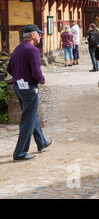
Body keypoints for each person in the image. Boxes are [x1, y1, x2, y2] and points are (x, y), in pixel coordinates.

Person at [6, 24, 53, 161]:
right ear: (33, 35)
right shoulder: (33, 50)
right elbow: (37, 72)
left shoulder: (17, 48)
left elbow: (9, 68)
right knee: (27, 120)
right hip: (29, 89)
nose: (40, 36)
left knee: (31, 115)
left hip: (18, 87)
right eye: (39, 33)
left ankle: (41, 142)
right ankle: (19, 153)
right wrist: (41, 80)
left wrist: (20, 77)